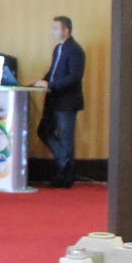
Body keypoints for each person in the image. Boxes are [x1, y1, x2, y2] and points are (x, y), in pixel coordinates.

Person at [33, 15, 85, 188]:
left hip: (67, 102)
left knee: (65, 138)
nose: (52, 31)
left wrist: (50, 85)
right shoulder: (58, 49)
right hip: (53, 99)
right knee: (44, 131)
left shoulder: (75, 50)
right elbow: (53, 72)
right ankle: (66, 163)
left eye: (55, 28)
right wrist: (41, 82)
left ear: (66, 31)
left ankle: (66, 176)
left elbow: (74, 78)